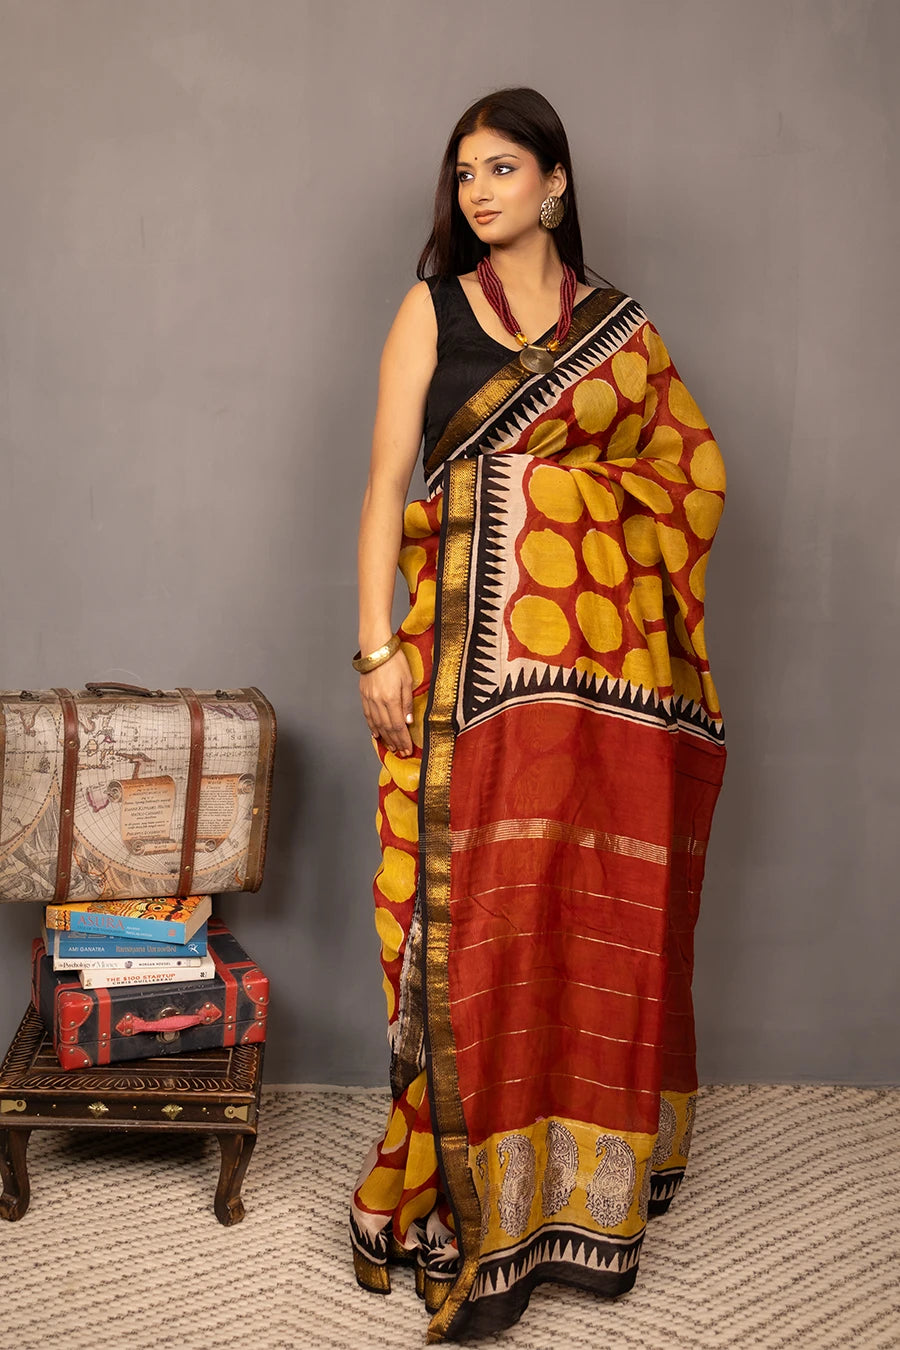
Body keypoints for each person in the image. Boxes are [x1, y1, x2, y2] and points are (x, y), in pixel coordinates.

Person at [351, 86, 726, 1342]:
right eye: (463, 173)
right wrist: (370, 650)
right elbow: (385, 483)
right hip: (456, 681)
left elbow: (688, 477)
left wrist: (562, 502)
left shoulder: (621, 333)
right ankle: (435, 1188)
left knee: (567, 914)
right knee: (451, 936)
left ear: (556, 183)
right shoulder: (433, 309)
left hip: (584, 708)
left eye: (503, 169)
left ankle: (559, 1199)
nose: (479, 191)